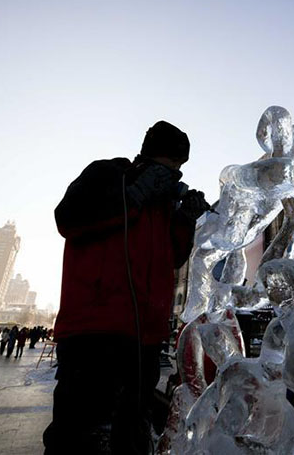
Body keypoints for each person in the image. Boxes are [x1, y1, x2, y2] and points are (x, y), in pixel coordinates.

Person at [43, 121, 209, 454]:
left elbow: (173, 260)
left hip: (144, 341)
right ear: (148, 157)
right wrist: (133, 195)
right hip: (94, 334)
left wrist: (184, 219)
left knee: (131, 435)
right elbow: (67, 218)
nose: (173, 178)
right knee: (81, 436)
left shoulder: (164, 206)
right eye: (170, 168)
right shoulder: (107, 174)